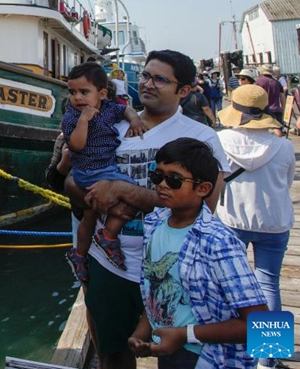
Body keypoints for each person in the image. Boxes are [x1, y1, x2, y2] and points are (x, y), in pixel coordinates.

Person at [65, 49, 229, 369]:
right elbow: (72, 176)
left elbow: (205, 209)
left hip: (171, 271)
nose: (148, 84)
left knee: (177, 356)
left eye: (160, 79)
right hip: (110, 264)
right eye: (145, 76)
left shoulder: (201, 139)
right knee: (112, 353)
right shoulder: (111, 124)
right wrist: (81, 190)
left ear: (184, 90)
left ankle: (269, 354)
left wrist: (123, 190)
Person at [128, 138, 267, 369]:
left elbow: (263, 325)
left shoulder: (219, 241)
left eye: (173, 180)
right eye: (157, 175)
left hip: (207, 356)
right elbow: (155, 287)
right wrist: (141, 332)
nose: (162, 184)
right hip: (169, 347)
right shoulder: (154, 224)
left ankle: (268, 361)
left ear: (203, 189)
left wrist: (185, 335)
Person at [215, 85, 294, 368]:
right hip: (274, 223)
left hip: (231, 221)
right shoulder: (284, 146)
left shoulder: (220, 140)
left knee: (228, 286)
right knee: (268, 284)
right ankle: (267, 358)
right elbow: (286, 183)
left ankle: (229, 351)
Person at [62, 62, 147, 282]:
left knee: (90, 216)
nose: (77, 98)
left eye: (84, 92)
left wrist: (135, 118)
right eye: (73, 92)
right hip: (90, 170)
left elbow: (126, 109)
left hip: (104, 168)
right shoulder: (72, 117)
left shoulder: (109, 108)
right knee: (132, 196)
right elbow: (77, 145)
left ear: (101, 93)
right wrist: (83, 121)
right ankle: (108, 236)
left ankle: (79, 254)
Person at [255, 65, 285, 132]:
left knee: (264, 132)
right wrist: (283, 108)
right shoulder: (277, 82)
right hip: (276, 110)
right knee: (277, 130)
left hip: (264, 110)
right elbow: (282, 97)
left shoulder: (259, 82)